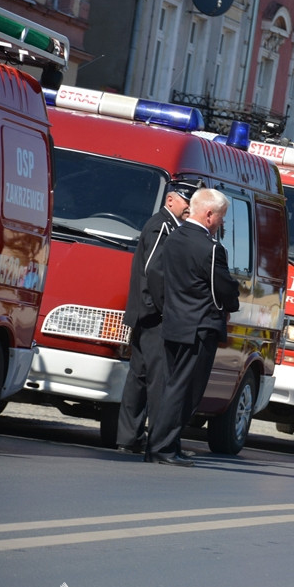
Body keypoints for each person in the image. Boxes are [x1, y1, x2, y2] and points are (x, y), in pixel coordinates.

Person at [146, 188, 240, 466]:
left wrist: (168, 306)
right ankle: (162, 448)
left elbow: (155, 274)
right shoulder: (210, 248)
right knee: (186, 390)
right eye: (221, 217)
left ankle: (164, 444)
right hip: (199, 326)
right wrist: (232, 299)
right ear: (209, 214)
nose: (222, 223)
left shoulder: (173, 238)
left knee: (171, 386)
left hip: (174, 322)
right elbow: (222, 287)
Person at [116, 189, 190, 454]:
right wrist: (163, 308)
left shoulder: (167, 225)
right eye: (186, 201)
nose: (188, 207)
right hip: (153, 315)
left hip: (146, 313)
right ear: (170, 199)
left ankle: (128, 437)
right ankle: (159, 442)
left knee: (140, 376)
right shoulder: (163, 226)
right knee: (158, 380)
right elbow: (153, 270)